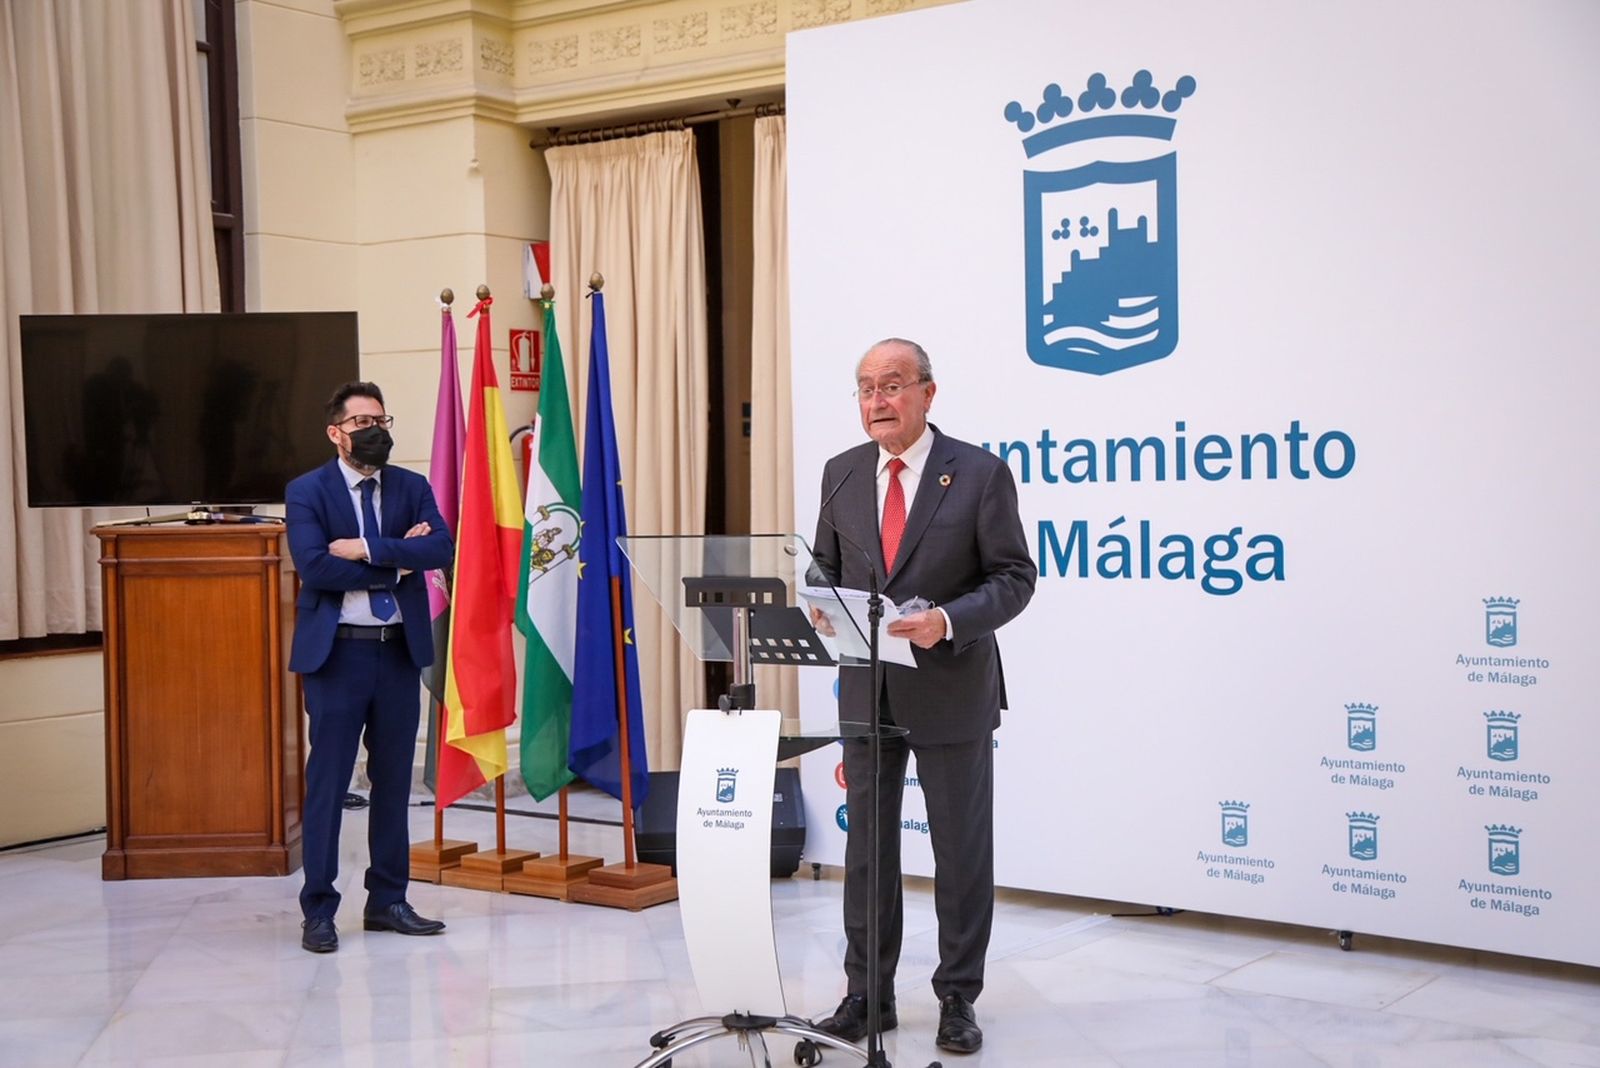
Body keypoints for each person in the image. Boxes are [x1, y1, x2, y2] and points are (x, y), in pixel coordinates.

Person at [809, 339, 1036, 1054]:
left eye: (893, 385)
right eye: (866, 388)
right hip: (867, 689)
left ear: (927, 393)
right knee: (868, 851)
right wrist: (821, 605)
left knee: (959, 850)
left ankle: (957, 998)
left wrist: (948, 621)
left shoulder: (978, 473)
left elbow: (1013, 577)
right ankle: (867, 995)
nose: (877, 401)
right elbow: (825, 570)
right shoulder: (841, 473)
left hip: (951, 684)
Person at [286, 381, 455, 953]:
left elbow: (441, 548)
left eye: (381, 419)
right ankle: (319, 909)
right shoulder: (307, 491)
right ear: (336, 432)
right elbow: (314, 566)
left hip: (397, 653)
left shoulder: (412, 486)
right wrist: (395, 562)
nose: (375, 430)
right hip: (336, 654)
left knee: (391, 786)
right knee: (329, 784)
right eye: (362, 422)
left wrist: (365, 548)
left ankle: (387, 901)